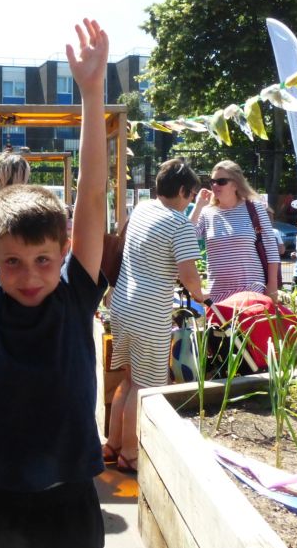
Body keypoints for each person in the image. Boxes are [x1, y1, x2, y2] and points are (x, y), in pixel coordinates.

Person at [0, 20, 108, 548]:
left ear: (63, 253)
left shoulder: (76, 293)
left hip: (67, 496)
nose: (30, 274)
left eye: (42, 259)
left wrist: (93, 91)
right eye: (12, 262)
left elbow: (93, 196)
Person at [105, 159, 208, 473]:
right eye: (190, 196)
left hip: (122, 305)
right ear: (181, 191)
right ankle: (131, 452)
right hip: (150, 313)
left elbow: (175, 231)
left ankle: (112, 444)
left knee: (128, 379)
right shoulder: (179, 226)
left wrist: (198, 209)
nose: (191, 200)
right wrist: (203, 295)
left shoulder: (145, 210)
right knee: (146, 387)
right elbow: (189, 275)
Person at [189, 160, 279, 302]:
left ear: (236, 184)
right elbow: (186, 237)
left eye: (221, 181)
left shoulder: (254, 207)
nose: (214, 185)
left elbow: (271, 249)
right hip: (218, 295)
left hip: (252, 292)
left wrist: (272, 286)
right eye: (212, 181)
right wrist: (199, 205)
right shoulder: (206, 212)